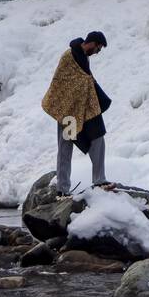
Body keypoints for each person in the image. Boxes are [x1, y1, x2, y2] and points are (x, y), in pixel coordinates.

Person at [41, 31, 113, 196]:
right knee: (65, 148)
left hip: (84, 109)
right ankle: (62, 189)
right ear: (91, 43)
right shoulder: (68, 57)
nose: (97, 53)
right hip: (67, 112)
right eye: (98, 49)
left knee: (98, 138)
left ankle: (99, 180)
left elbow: (85, 81)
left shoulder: (84, 58)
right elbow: (62, 83)